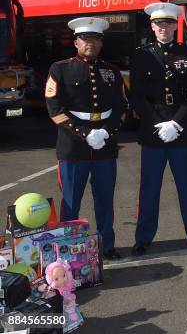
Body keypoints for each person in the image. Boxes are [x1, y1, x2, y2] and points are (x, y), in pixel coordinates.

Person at [45, 17, 127, 260]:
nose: (90, 43)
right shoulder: (59, 68)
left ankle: (106, 244)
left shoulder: (111, 71)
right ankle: (68, 249)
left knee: (105, 198)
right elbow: (54, 109)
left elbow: (122, 106)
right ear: (76, 42)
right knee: (71, 201)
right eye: (85, 38)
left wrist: (105, 132)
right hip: (73, 147)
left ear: (101, 43)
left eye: (95, 38)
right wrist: (85, 133)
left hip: (104, 145)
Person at [129, 2, 187, 256]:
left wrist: (177, 123)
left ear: (176, 25)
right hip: (153, 132)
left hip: (181, 132)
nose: (164, 27)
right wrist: (156, 123)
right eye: (159, 23)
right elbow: (137, 96)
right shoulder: (140, 56)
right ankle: (143, 237)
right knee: (149, 188)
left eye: (169, 23)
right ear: (152, 26)